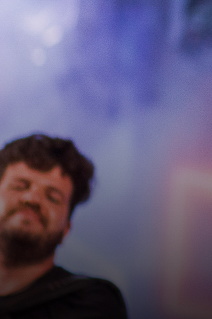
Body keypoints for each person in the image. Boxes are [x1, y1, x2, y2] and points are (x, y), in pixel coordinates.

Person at [0, 134, 127, 318]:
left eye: (52, 197)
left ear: (66, 229)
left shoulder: (88, 303)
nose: (32, 199)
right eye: (20, 186)